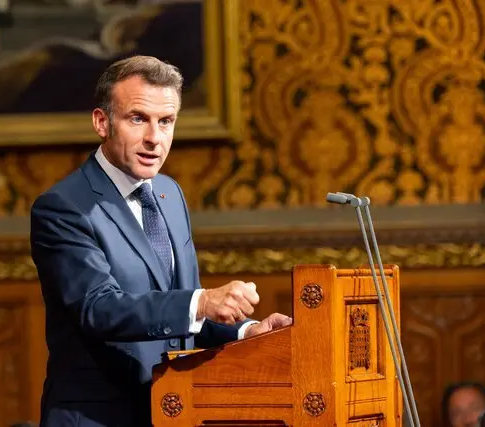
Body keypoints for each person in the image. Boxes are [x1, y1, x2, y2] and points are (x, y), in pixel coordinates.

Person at [30, 55, 292, 427]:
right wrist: (202, 301)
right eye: (138, 119)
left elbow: (182, 312)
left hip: (171, 410)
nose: (154, 138)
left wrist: (247, 331)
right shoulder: (64, 207)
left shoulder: (168, 194)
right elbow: (99, 309)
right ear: (102, 122)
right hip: (97, 418)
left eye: (166, 121)